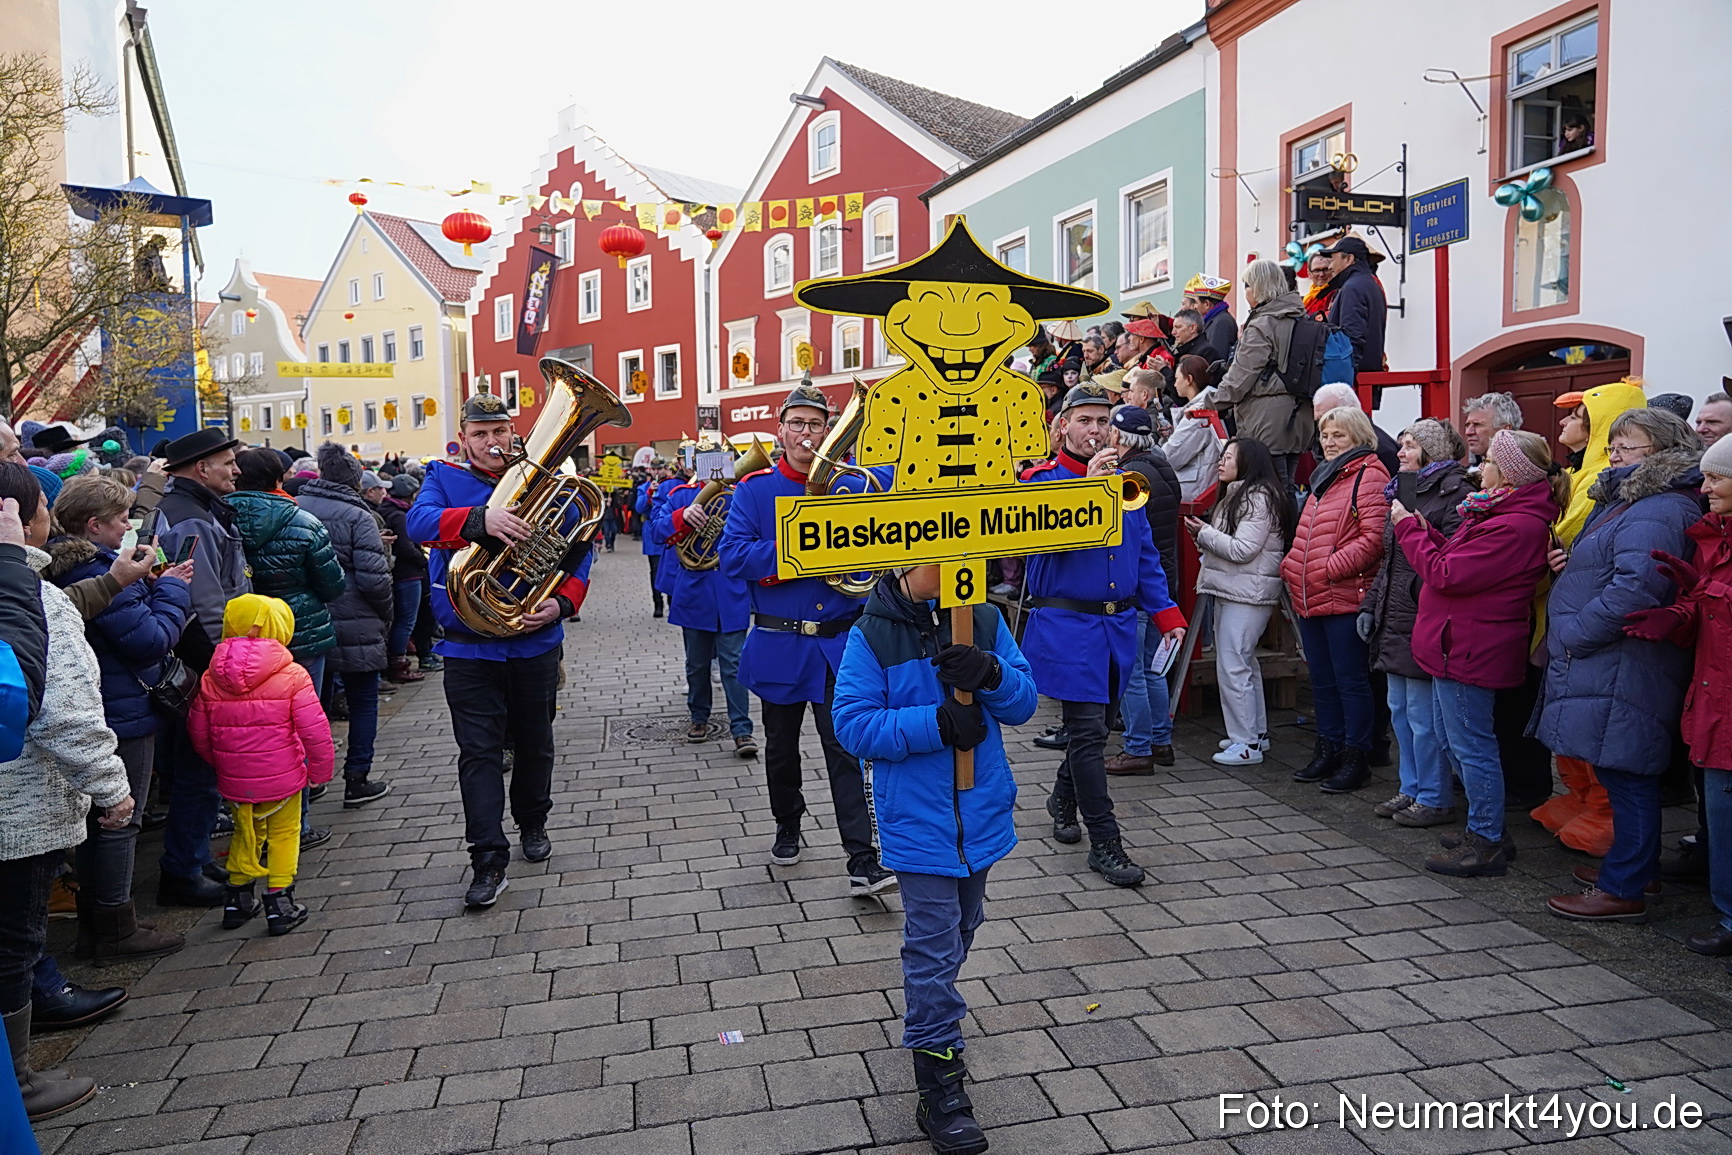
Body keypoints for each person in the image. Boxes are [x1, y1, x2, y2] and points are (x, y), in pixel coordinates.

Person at [831, 564, 1036, 1155]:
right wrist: (938, 723)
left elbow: (1023, 702)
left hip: (982, 813)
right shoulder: (872, 631)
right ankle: (938, 1078)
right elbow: (853, 725)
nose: (951, 570)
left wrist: (992, 674)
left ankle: (934, 1011)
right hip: (917, 822)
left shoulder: (987, 617)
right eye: (935, 560)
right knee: (932, 941)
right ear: (900, 561)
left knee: (963, 927)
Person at [407, 392, 593, 908]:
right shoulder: (444, 478)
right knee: (479, 754)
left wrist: (561, 603)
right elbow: (417, 525)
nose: (493, 442)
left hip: (534, 639)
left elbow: (579, 550)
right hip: (468, 648)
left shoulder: (547, 478)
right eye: (481, 434)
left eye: (501, 432)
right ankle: (487, 856)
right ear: (464, 437)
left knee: (536, 744)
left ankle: (533, 822)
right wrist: (478, 520)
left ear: (514, 433)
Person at [717, 383, 896, 895]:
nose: (806, 433)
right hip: (780, 643)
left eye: (816, 424)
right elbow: (733, 559)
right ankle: (788, 823)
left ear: (830, 431)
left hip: (840, 645)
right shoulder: (754, 490)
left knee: (847, 752)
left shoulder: (855, 487)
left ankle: (862, 858)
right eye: (796, 423)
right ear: (781, 430)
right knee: (780, 748)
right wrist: (801, 546)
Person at [0, 464, 130, 1122]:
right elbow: (66, 711)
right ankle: (15, 1083)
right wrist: (111, 786)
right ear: (20, 519)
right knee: (13, 945)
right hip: (20, 813)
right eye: (42, 505)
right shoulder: (34, 598)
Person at [1539, 409, 1704, 921]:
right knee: (1620, 767)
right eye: (1614, 445)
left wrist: (1575, 630)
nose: (1615, 454)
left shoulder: (1660, 507)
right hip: (1613, 659)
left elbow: (1638, 586)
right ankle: (1635, 870)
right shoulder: (1631, 501)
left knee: (1628, 770)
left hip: (1624, 658)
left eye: (1628, 447)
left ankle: (1626, 885)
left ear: (1661, 451)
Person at [1022, 383, 1186, 887]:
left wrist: (1167, 613)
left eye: (1101, 421)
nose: (1095, 430)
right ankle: (1106, 842)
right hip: (1069, 625)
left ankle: (1062, 797)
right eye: (1084, 420)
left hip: (1117, 626)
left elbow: (1145, 556)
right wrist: (1084, 493)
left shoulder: (1128, 484)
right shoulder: (1040, 482)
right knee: (1091, 733)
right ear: (1062, 427)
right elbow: (1034, 552)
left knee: (1094, 728)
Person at [1396, 430, 1565, 876]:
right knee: (1454, 740)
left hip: (1471, 648)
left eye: (1489, 459)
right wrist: (1426, 529)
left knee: (1472, 747)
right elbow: (1453, 560)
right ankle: (1483, 825)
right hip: (1454, 644)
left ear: (1507, 473)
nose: (1480, 465)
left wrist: (1408, 528)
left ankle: (1487, 839)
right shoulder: (1493, 512)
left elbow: (1445, 573)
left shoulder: (1515, 524)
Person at [45, 476, 192, 962]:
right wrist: (172, 592)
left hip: (103, 704)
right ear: (94, 525)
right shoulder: (101, 572)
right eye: (120, 519)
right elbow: (149, 640)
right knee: (118, 819)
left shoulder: (64, 566)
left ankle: (100, 922)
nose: (129, 527)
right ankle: (115, 928)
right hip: (122, 711)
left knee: (97, 823)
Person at [1623, 435, 1731, 953]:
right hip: (1712, 698)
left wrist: (1705, 595)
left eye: (1716, 477)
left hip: (1725, 701)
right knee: (1719, 814)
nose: (1704, 487)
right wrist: (1682, 610)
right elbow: (1710, 614)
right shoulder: (1716, 536)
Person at [1532, 378, 1647, 854]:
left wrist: (1578, 625)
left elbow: (1623, 571)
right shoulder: (1589, 474)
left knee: (1592, 720)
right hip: (1568, 616)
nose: (1564, 423)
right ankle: (1581, 797)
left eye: (1577, 417)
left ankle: (1603, 809)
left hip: (1587, 626)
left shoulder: (1621, 489)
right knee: (1567, 715)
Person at [187, 594, 336, 936]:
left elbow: (199, 731)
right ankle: (279, 903)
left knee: (246, 832)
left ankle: (237, 901)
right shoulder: (292, 675)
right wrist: (320, 772)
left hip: (235, 779)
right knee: (284, 835)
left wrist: (221, 763)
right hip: (284, 778)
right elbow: (315, 730)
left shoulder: (212, 676)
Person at [152, 427, 250, 907]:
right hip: (206, 662)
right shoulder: (190, 520)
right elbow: (205, 606)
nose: (236, 469)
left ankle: (191, 859)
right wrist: (224, 671)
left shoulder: (197, 509)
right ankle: (183, 871)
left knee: (202, 768)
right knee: (200, 769)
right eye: (228, 462)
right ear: (200, 468)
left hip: (202, 659)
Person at [1359, 420, 1471, 827]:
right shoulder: (1404, 488)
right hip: (1396, 615)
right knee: (1400, 710)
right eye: (1402, 444)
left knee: (1425, 718)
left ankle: (1435, 795)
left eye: (1409, 446)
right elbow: (1390, 561)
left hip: (1424, 616)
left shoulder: (1454, 492)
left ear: (1431, 451)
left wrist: (1415, 598)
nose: (1401, 452)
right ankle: (1410, 788)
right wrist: (1371, 605)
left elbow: (1450, 558)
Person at [1281, 404, 1390, 793]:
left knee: (1350, 682)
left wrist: (1327, 567)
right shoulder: (1324, 478)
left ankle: (1355, 757)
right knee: (1323, 682)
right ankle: (1327, 749)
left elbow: (1374, 539)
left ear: (1358, 437)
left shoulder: (1370, 477)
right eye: (1325, 435)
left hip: (1344, 596)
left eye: (1338, 435)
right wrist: (1293, 568)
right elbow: (1305, 534)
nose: (1328, 442)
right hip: (1311, 596)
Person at [295, 444, 393, 807]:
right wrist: (387, 612)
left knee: (312, 706)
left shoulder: (297, 508)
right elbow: (374, 579)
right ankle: (357, 778)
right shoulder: (359, 516)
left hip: (308, 619)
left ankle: (312, 781)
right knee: (364, 702)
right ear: (355, 480)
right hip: (358, 619)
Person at [1187, 437, 1295, 765]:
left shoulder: (1257, 497)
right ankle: (1254, 736)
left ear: (1248, 462)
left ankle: (1245, 742)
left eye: (1229, 457)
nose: (1221, 462)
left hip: (1247, 594)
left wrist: (1204, 533)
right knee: (1244, 663)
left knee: (1234, 665)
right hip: (1239, 590)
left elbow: (1242, 549)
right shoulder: (1243, 494)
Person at [652, 467, 759, 758]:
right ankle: (699, 716)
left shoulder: (740, 495)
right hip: (695, 591)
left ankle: (742, 730)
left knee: (734, 665)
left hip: (730, 590)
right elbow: (655, 531)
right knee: (696, 664)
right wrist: (682, 517)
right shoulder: (678, 495)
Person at [228, 447, 345, 699]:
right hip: (302, 629)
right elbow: (332, 586)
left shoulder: (217, 520)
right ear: (278, 479)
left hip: (242, 631)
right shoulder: (305, 523)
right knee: (306, 709)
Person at [1105, 406, 1182, 775]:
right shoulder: (1162, 465)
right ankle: (1160, 741)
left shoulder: (1128, 476)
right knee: (1153, 669)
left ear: (1118, 437)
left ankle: (1138, 747)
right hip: (1164, 580)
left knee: (1132, 671)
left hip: (1138, 584)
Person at [1213, 260, 1314, 490]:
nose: (1245, 292)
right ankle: (1291, 526)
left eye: (1247, 286)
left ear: (1258, 287)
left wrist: (1210, 402)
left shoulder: (1262, 324)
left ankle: (1281, 528)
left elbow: (1240, 378)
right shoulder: (1299, 316)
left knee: (1268, 491)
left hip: (1266, 422)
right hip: (1298, 418)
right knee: (1287, 487)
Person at [375, 473, 427, 684]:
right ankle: (399, 664)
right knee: (406, 621)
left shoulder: (386, 510)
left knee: (400, 620)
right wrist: (424, 562)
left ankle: (396, 662)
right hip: (408, 574)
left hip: (397, 573)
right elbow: (407, 547)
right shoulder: (401, 515)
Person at [1318, 236, 1387, 385]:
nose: (1329, 267)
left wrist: (1345, 380)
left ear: (1349, 259)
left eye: (1332, 260)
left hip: (1353, 381)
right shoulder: (1369, 283)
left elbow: (1351, 337)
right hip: (1365, 377)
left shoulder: (1353, 287)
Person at [1164, 356, 1225, 503]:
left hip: (1197, 489)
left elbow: (1171, 456)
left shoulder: (1200, 411)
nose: (1174, 383)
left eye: (1177, 378)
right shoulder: (1207, 404)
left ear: (1189, 379)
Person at [1314, 382, 1399, 477]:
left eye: (1330, 416)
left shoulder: (1382, 451)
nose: (1328, 443)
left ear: (1350, 411)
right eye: (1319, 420)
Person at [636, 461, 672, 618]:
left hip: (669, 532)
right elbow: (639, 508)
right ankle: (658, 604)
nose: (657, 471)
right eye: (655, 469)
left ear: (665, 469)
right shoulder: (644, 487)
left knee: (672, 568)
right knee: (655, 570)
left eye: (660, 468)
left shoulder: (671, 485)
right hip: (652, 533)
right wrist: (650, 493)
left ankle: (673, 602)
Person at [1182, 273, 1237, 358]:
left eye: (1196, 303)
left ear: (1207, 304)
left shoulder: (1222, 322)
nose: (1194, 307)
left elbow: (1217, 359)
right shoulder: (1214, 320)